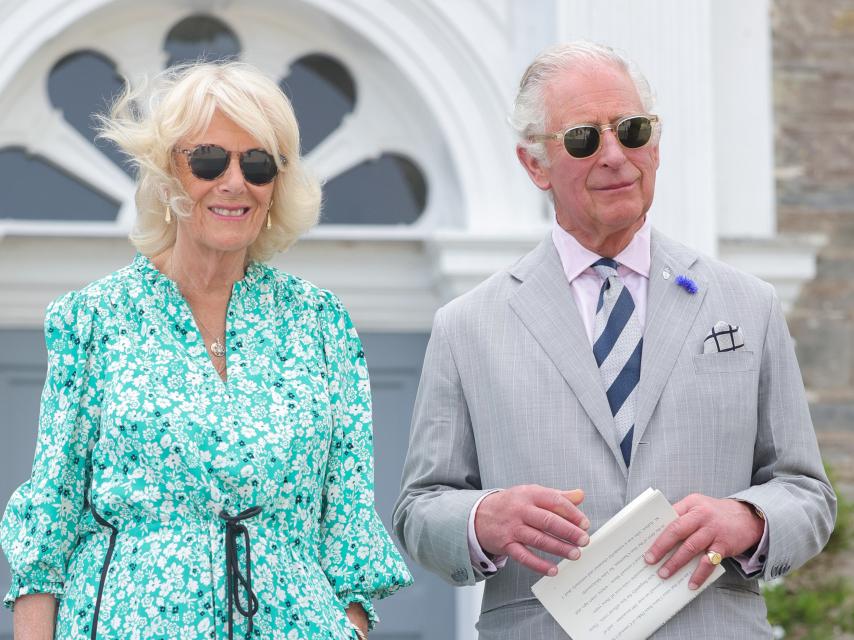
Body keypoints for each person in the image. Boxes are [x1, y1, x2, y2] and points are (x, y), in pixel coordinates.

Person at [393, 41, 835, 638]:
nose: (614, 156)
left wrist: (750, 518)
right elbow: (419, 510)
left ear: (655, 144)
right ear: (534, 165)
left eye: (631, 130)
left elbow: (808, 493)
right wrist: (480, 519)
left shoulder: (748, 304)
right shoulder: (467, 325)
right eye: (582, 139)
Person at [1, 61, 411, 640]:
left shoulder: (321, 323)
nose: (234, 182)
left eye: (258, 164)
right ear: (168, 172)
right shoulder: (94, 318)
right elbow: (50, 524)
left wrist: (350, 628)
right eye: (209, 160)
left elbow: (347, 527)